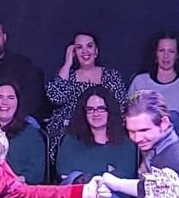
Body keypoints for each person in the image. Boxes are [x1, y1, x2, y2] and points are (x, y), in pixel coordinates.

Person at [46, 31, 127, 159]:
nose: (85, 51)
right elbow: (55, 97)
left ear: (96, 51)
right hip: (71, 135)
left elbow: (121, 108)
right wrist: (67, 63)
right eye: (79, 47)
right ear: (74, 53)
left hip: (105, 134)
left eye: (89, 46)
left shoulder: (111, 76)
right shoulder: (68, 75)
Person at [56, 86, 137, 198]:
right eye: (90, 109)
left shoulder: (126, 144)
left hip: (111, 197)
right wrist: (105, 172)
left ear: (110, 111)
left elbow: (125, 177)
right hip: (78, 196)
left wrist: (86, 175)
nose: (96, 113)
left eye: (101, 108)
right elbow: (65, 174)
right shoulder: (71, 140)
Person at [127, 31, 179, 127]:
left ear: (177, 55)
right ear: (155, 54)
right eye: (161, 51)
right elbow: (129, 114)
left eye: (171, 51)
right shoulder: (139, 81)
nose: (166, 56)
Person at [0, 80, 47, 183]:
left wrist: (13, 182)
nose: (4, 102)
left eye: (10, 98)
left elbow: (36, 173)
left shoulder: (31, 135)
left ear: (18, 102)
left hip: (19, 190)